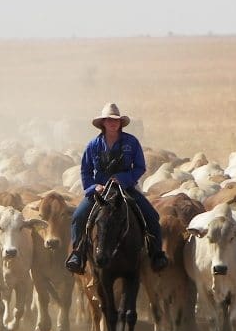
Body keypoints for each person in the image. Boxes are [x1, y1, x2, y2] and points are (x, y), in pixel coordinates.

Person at [65, 103, 169, 274]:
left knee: (151, 216)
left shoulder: (131, 142)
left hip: (125, 188)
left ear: (121, 123)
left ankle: (156, 254)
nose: (113, 123)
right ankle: (78, 254)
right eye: (109, 120)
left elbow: (140, 167)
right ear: (103, 123)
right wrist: (93, 187)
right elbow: (85, 170)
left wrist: (122, 179)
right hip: (100, 192)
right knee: (78, 217)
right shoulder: (93, 145)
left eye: (116, 120)